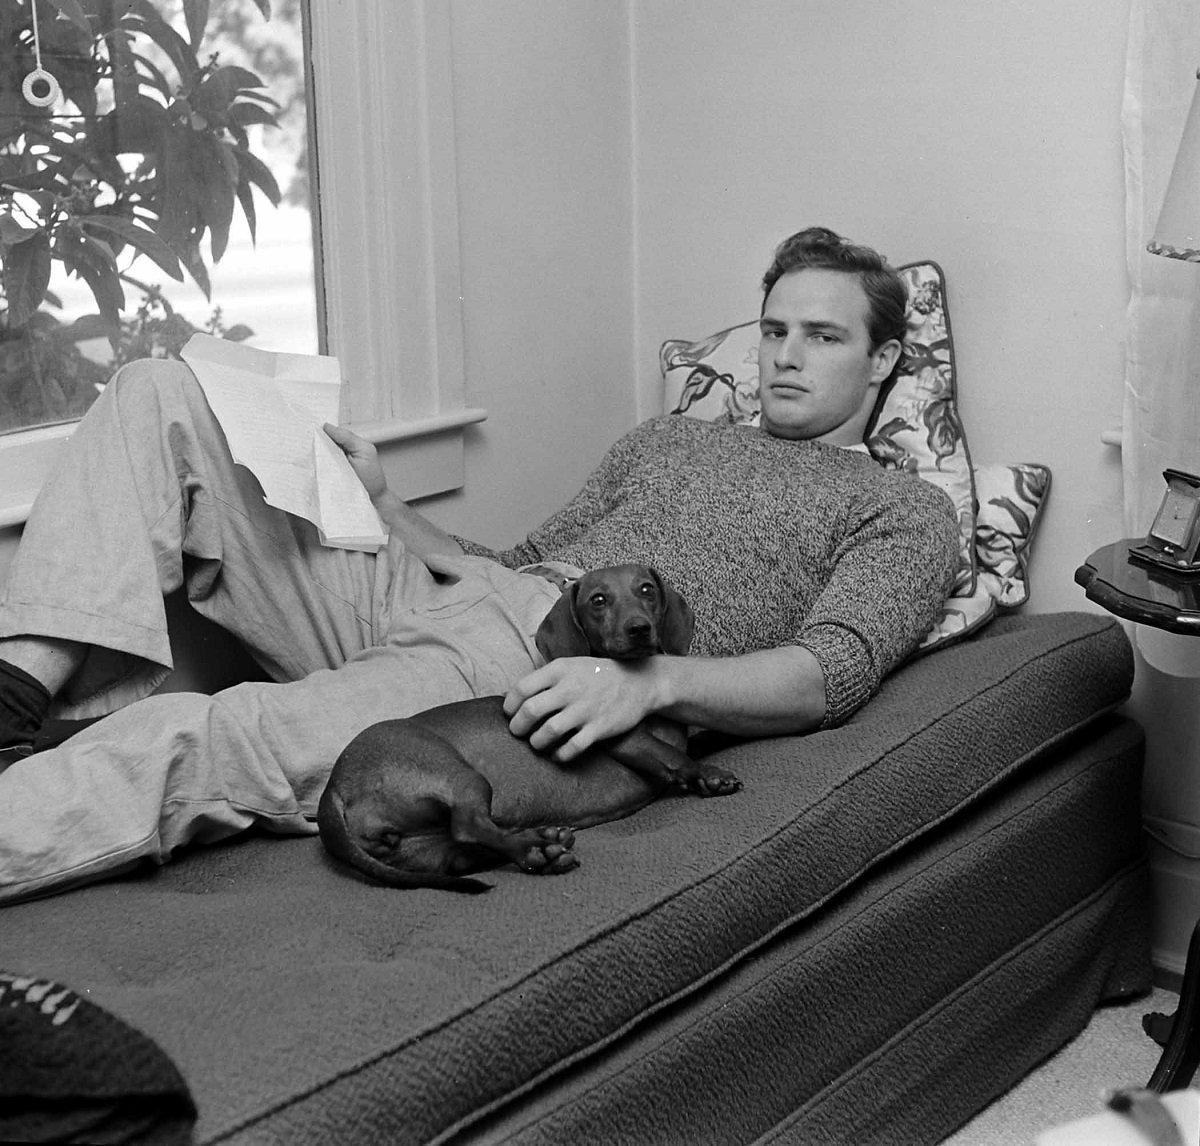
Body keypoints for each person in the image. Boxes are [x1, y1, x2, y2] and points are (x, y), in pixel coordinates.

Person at [0, 226, 959, 903]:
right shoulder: (664, 440)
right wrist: (383, 506)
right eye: (775, 331)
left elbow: (825, 674)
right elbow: (519, 561)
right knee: (159, 389)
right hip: (451, 599)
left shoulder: (904, 510)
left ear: (881, 363)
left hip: (527, 666)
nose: (786, 358)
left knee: (221, 731)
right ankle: (13, 698)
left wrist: (652, 683)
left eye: (824, 337)